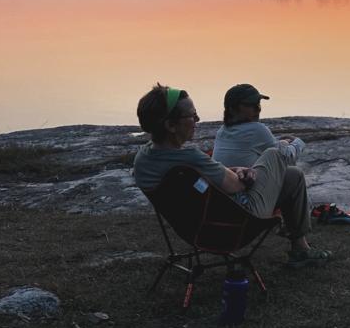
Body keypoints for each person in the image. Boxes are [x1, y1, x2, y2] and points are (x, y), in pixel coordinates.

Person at [132, 83, 329, 268]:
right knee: (274, 154)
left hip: (195, 229)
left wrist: (233, 170)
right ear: (171, 126)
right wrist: (243, 173)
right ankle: (300, 250)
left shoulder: (143, 160)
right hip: (238, 224)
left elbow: (208, 183)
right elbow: (237, 186)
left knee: (292, 175)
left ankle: (301, 249)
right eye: (192, 116)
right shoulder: (190, 158)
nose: (197, 121)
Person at [213, 83, 305, 167]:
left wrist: (281, 142)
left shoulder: (222, 131)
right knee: (294, 174)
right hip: (247, 184)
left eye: (258, 104)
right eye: (250, 105)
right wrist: (298, 142)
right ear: (232, 109)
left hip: (227, 183)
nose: (258, 109)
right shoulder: (256, 130)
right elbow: (287, 158)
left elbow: (254, 145)